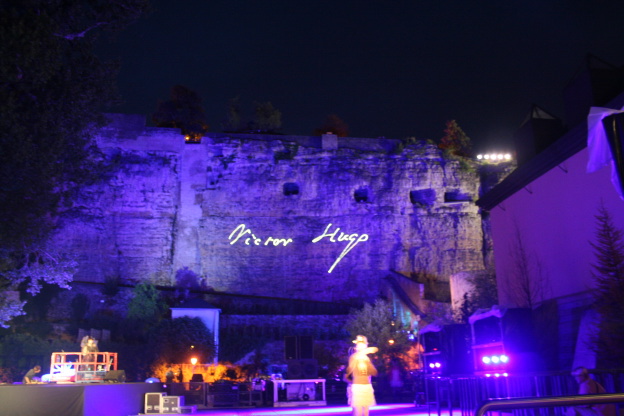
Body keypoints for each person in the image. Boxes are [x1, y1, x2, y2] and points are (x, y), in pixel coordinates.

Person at [344, 335, 378, 416]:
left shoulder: (366, 359)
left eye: (363, 344)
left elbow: (374, 372)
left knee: (366, 411)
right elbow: (349, 370)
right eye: (358, 344)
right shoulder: (354, 357)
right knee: (358, 411)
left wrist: (369, 364)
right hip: (357, 386)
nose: (360, 346)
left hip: (367, 386)